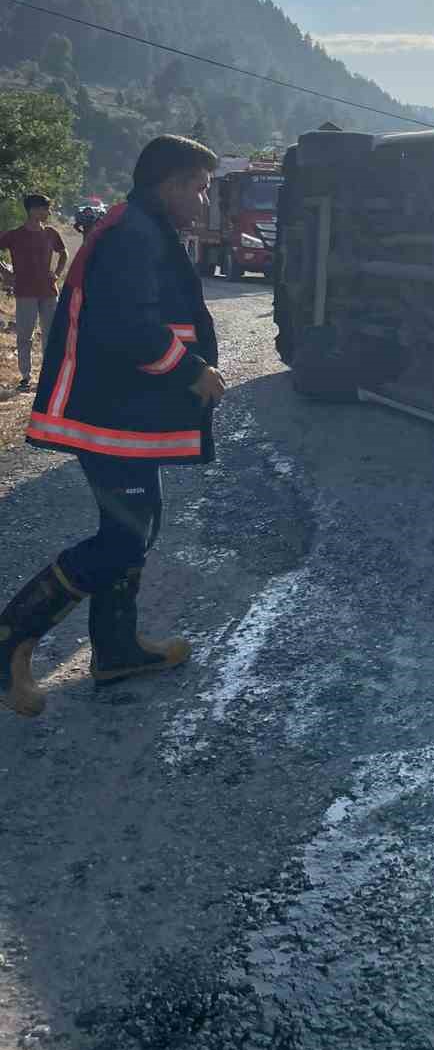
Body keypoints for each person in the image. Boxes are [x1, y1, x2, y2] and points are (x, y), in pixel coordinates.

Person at [0, 136, 227, 719]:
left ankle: (118, 649)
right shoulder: (133, 234)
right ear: (169, 183)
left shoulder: (143, 227)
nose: (203, 201)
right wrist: (191, 370)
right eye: (199, 187)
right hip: (108, 413)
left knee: (136, 529)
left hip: (123, 413)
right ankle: (8, 640)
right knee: (125, 537)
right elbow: (129, 324)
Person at [0, 194, 68, 390]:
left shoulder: (51, 233)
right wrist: (4, 271)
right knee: (24, 336)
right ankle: (25, 377)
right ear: (32, 210)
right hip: (24, 291)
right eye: (45, 209)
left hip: (48, 291)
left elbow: (63, 253)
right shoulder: (14, 235)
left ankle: (48, 376)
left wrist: (56, 273)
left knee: (50, 335)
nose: (48, 213)